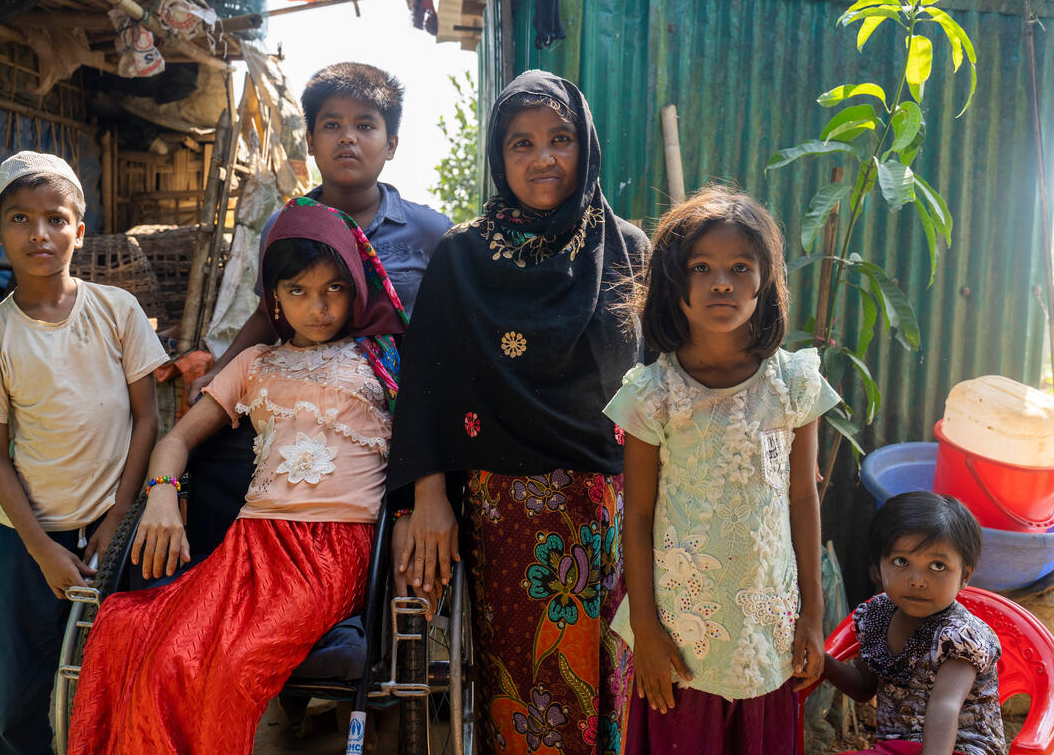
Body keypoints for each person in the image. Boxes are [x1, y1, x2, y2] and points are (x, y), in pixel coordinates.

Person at [68, 197, 408, 754]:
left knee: (233, 662)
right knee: (148, 643)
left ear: (358, 288)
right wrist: (159, 499)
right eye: (297, 290)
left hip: (334, 548)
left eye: (333, 289)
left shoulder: (383, 358)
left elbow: (420, 449)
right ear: (273, 297)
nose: (317, 307)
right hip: (248, 545)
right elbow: (176, 439)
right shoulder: (253, 364)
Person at [388, 70, 651, 755]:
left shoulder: (627, 250)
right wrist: (428, 494)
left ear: (585, 145)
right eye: (522, 142)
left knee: (616, 687)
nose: (543, 158)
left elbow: (663, 389)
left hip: (620, 511)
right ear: (499, 157)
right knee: (526, 695)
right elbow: (426, 383)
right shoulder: (463, 257)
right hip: (508, 514)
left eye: (561, 139)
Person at [604, 186, 840, 754]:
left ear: (766, 283)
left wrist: (813, 611)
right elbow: (634, 516)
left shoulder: (791, 388)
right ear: (674, 285)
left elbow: (801, 498)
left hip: (767, 625)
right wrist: (649, 633)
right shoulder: (653, 394)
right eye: (702, 267)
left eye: (741, 267)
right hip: (682, 632)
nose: (722, 282)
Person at [0, 151, 167, 755]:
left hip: (117, 531)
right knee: (21, 698)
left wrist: (121, 513)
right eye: (20, 219)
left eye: (55, 218)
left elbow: (148, 416)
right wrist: (42, 548)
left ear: (80, 227)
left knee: (123, 673)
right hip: (30, 538)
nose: (39, 234)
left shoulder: (117, 311)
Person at [186, 61, 451, 403]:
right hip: (303, 408)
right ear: (310, 141)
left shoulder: (430, 232)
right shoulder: (284, 227)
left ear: (392, 145)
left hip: (405, 408)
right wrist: (218, 370)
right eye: (331, 124)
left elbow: (453, 324)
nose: (347, 137)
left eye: (365, 125)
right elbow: (270, 313)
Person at [821, 492, 1005, 755]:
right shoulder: (877, 617)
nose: (917, 579)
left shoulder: (959, 636)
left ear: (964, 576)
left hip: (957, 748)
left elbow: (945, 706)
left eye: (937, 566)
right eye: (901, 562)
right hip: (897, 747)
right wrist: (821, 660)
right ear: (877, 570)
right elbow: (863, 687)